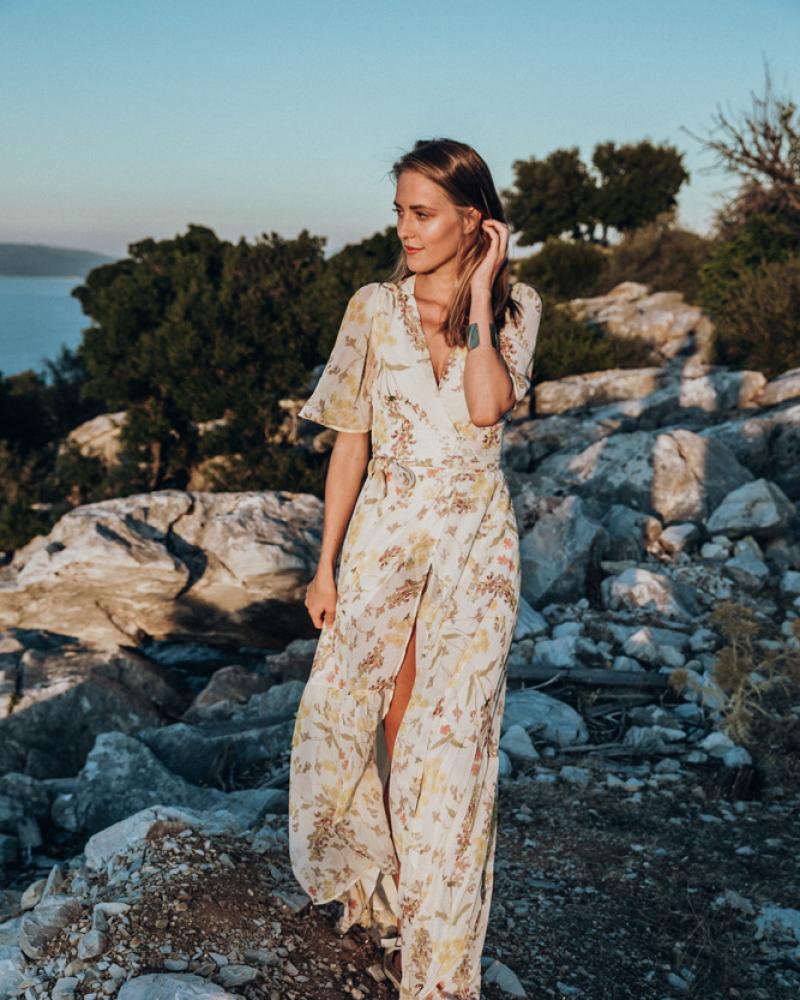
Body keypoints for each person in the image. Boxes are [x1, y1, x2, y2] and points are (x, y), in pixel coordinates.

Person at [288, 137, 542, 1000]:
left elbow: (486, 405)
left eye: (423, 213)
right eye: (399, 211)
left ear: (474, 220)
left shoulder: (516, 308)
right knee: (361, 719)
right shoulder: (372, 307)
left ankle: (441, 967)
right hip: (384, 540)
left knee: (455, 748)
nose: (404, 228)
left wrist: (480, 297)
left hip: (476, 547)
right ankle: (395, 889)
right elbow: (350, 443)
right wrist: (324, 565)